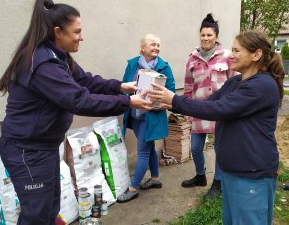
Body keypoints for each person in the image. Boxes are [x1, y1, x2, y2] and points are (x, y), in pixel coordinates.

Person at [0, 0, 152, 224]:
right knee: (36, 215)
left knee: (49, 208)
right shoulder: (44, 65)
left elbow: (85, 81)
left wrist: (120, 86)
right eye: (76, 31)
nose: (81, 36)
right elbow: (79, 100)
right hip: (27, 151)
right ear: (57, 32)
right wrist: (127, 102)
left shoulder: (58, 57)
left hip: (43, 147)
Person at [148, 30, 284, 225]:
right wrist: (169, 103)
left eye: (237, 50)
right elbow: (207, 103)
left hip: (252, 173)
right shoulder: (236, 82)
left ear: (256, 55)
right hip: (233, 170)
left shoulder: (262, 86)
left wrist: (174, 100)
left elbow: (218, 109)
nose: (231, 55)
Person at [182, 13, 236, 200]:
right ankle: (200, 176)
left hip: (221, 109)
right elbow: (188, 86)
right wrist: (187, 108)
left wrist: (232, 105)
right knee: (196, 148)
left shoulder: (227, 56)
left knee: (220, 148)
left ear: (216, 37)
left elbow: (235, 81)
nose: (205, 39)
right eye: (203, 35)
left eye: (209, 35)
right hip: (198, 109)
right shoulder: (192, 59)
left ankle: (218, 183)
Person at [117, 34, 175, 203]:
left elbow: (171, 93)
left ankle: (133, 188)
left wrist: (156, 101)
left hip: (151, 116)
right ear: (143, 48)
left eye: (158, 44)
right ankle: (155, 179)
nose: (156, 47)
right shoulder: (133, 64)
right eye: (152, 44)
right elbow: (124, 85)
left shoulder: (164, 67)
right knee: (148, 148)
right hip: (135, 115)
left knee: (142, 152)